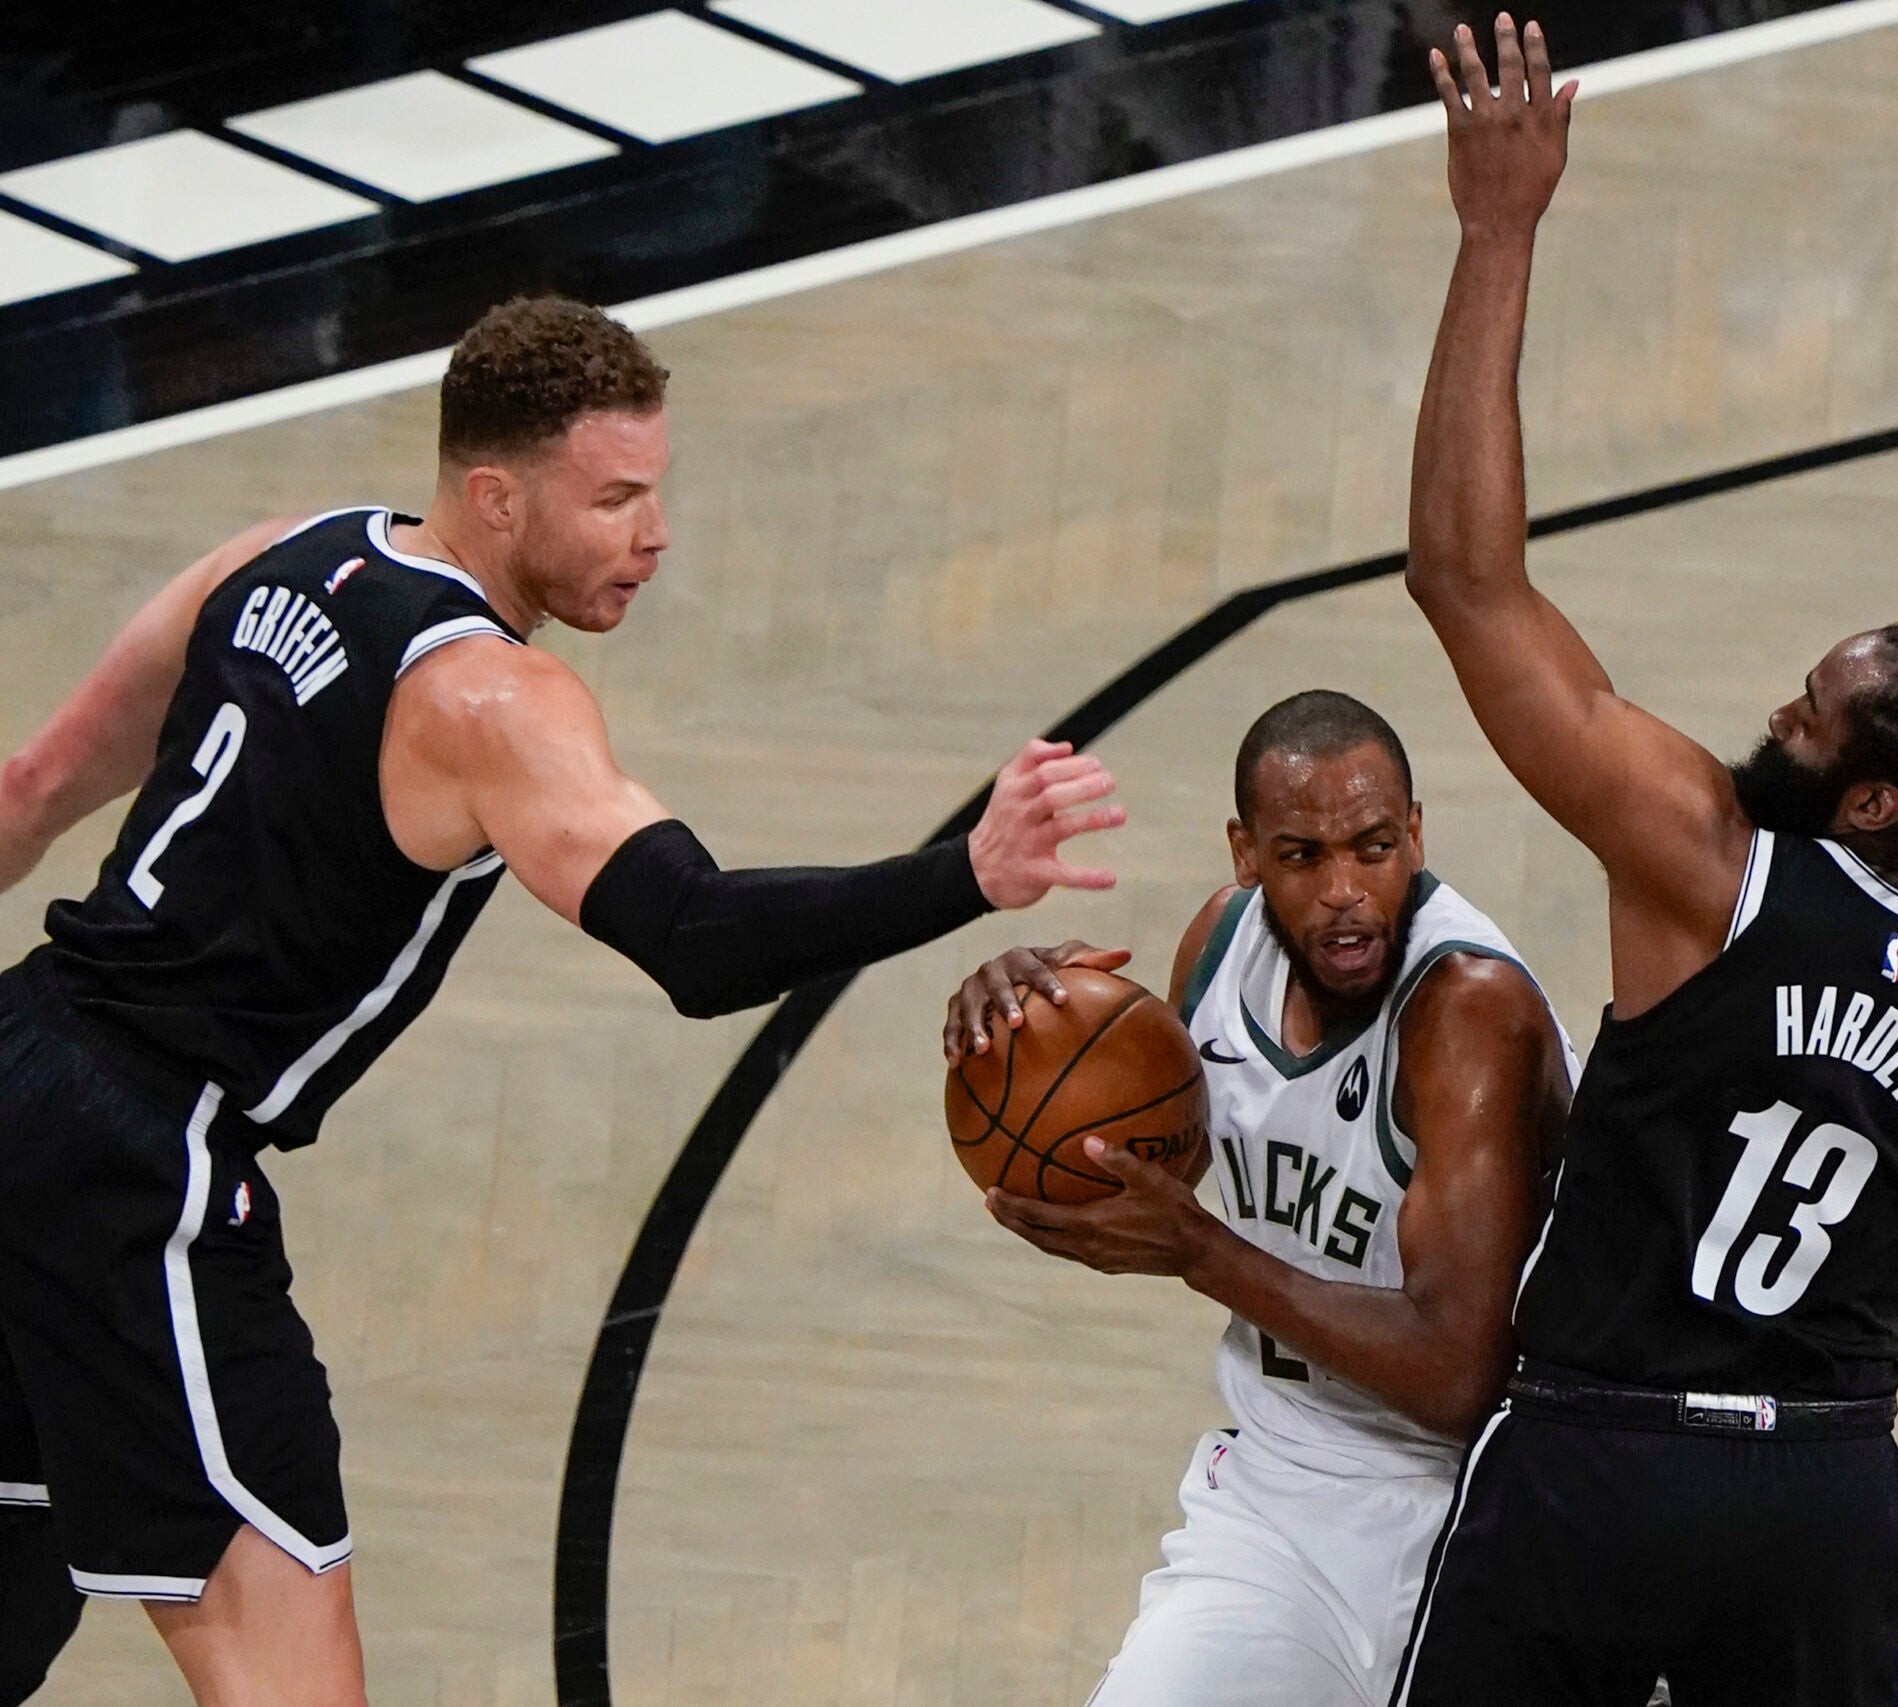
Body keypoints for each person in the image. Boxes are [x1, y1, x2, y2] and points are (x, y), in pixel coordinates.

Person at [0, 297, 1121, 1705]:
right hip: (138, 1171)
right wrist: (965, 872)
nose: (657, 534)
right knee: (281, 1659)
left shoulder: (274, 553)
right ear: (496, 495)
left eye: (655, 490)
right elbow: (697, 939)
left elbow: (30, 790)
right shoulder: (491, 699)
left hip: (19, 1053)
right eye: (615, 498)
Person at [1388, 18, 1898, 1705]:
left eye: (1810, 710)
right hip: (1822, 1497)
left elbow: (1467, 582)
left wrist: (1498, 231)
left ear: (1872, 801)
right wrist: (1822, 1295)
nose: (1777, 710)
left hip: (1600, 1461)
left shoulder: (1712, 863)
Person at [941, 690, 1575, 1707]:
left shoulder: (1467, 1011)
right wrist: (1035, 1040)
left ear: (1416, 835)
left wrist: (1201, 1251)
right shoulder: (1219, 945)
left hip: (1489, 1510)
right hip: (1281, 1496)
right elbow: (1165, 1164)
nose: (1344, 892)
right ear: (1245, 854)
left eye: (1373, 848)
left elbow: (1459, 1372)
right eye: (1302, 856)